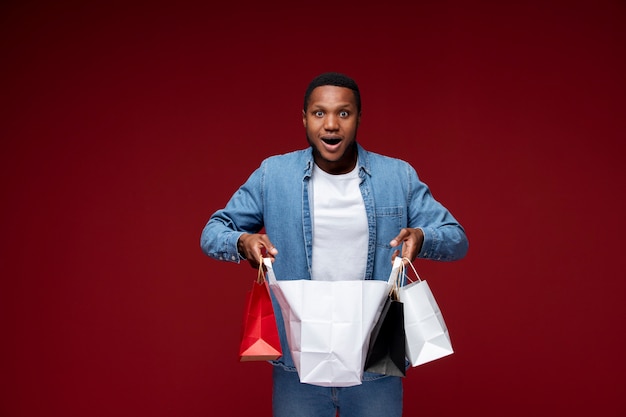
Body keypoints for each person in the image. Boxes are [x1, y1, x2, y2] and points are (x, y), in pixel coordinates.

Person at [200, 72, 468, 417]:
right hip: (298, 366)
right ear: (304, 117)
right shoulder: (274, 175)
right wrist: (243, 242)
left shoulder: (396, 176)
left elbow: (456, 238)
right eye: (318, 113)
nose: (331, 125)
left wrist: (422, 237)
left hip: (375, 363)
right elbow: (213, 231)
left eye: (343, 113)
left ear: (358, 117)